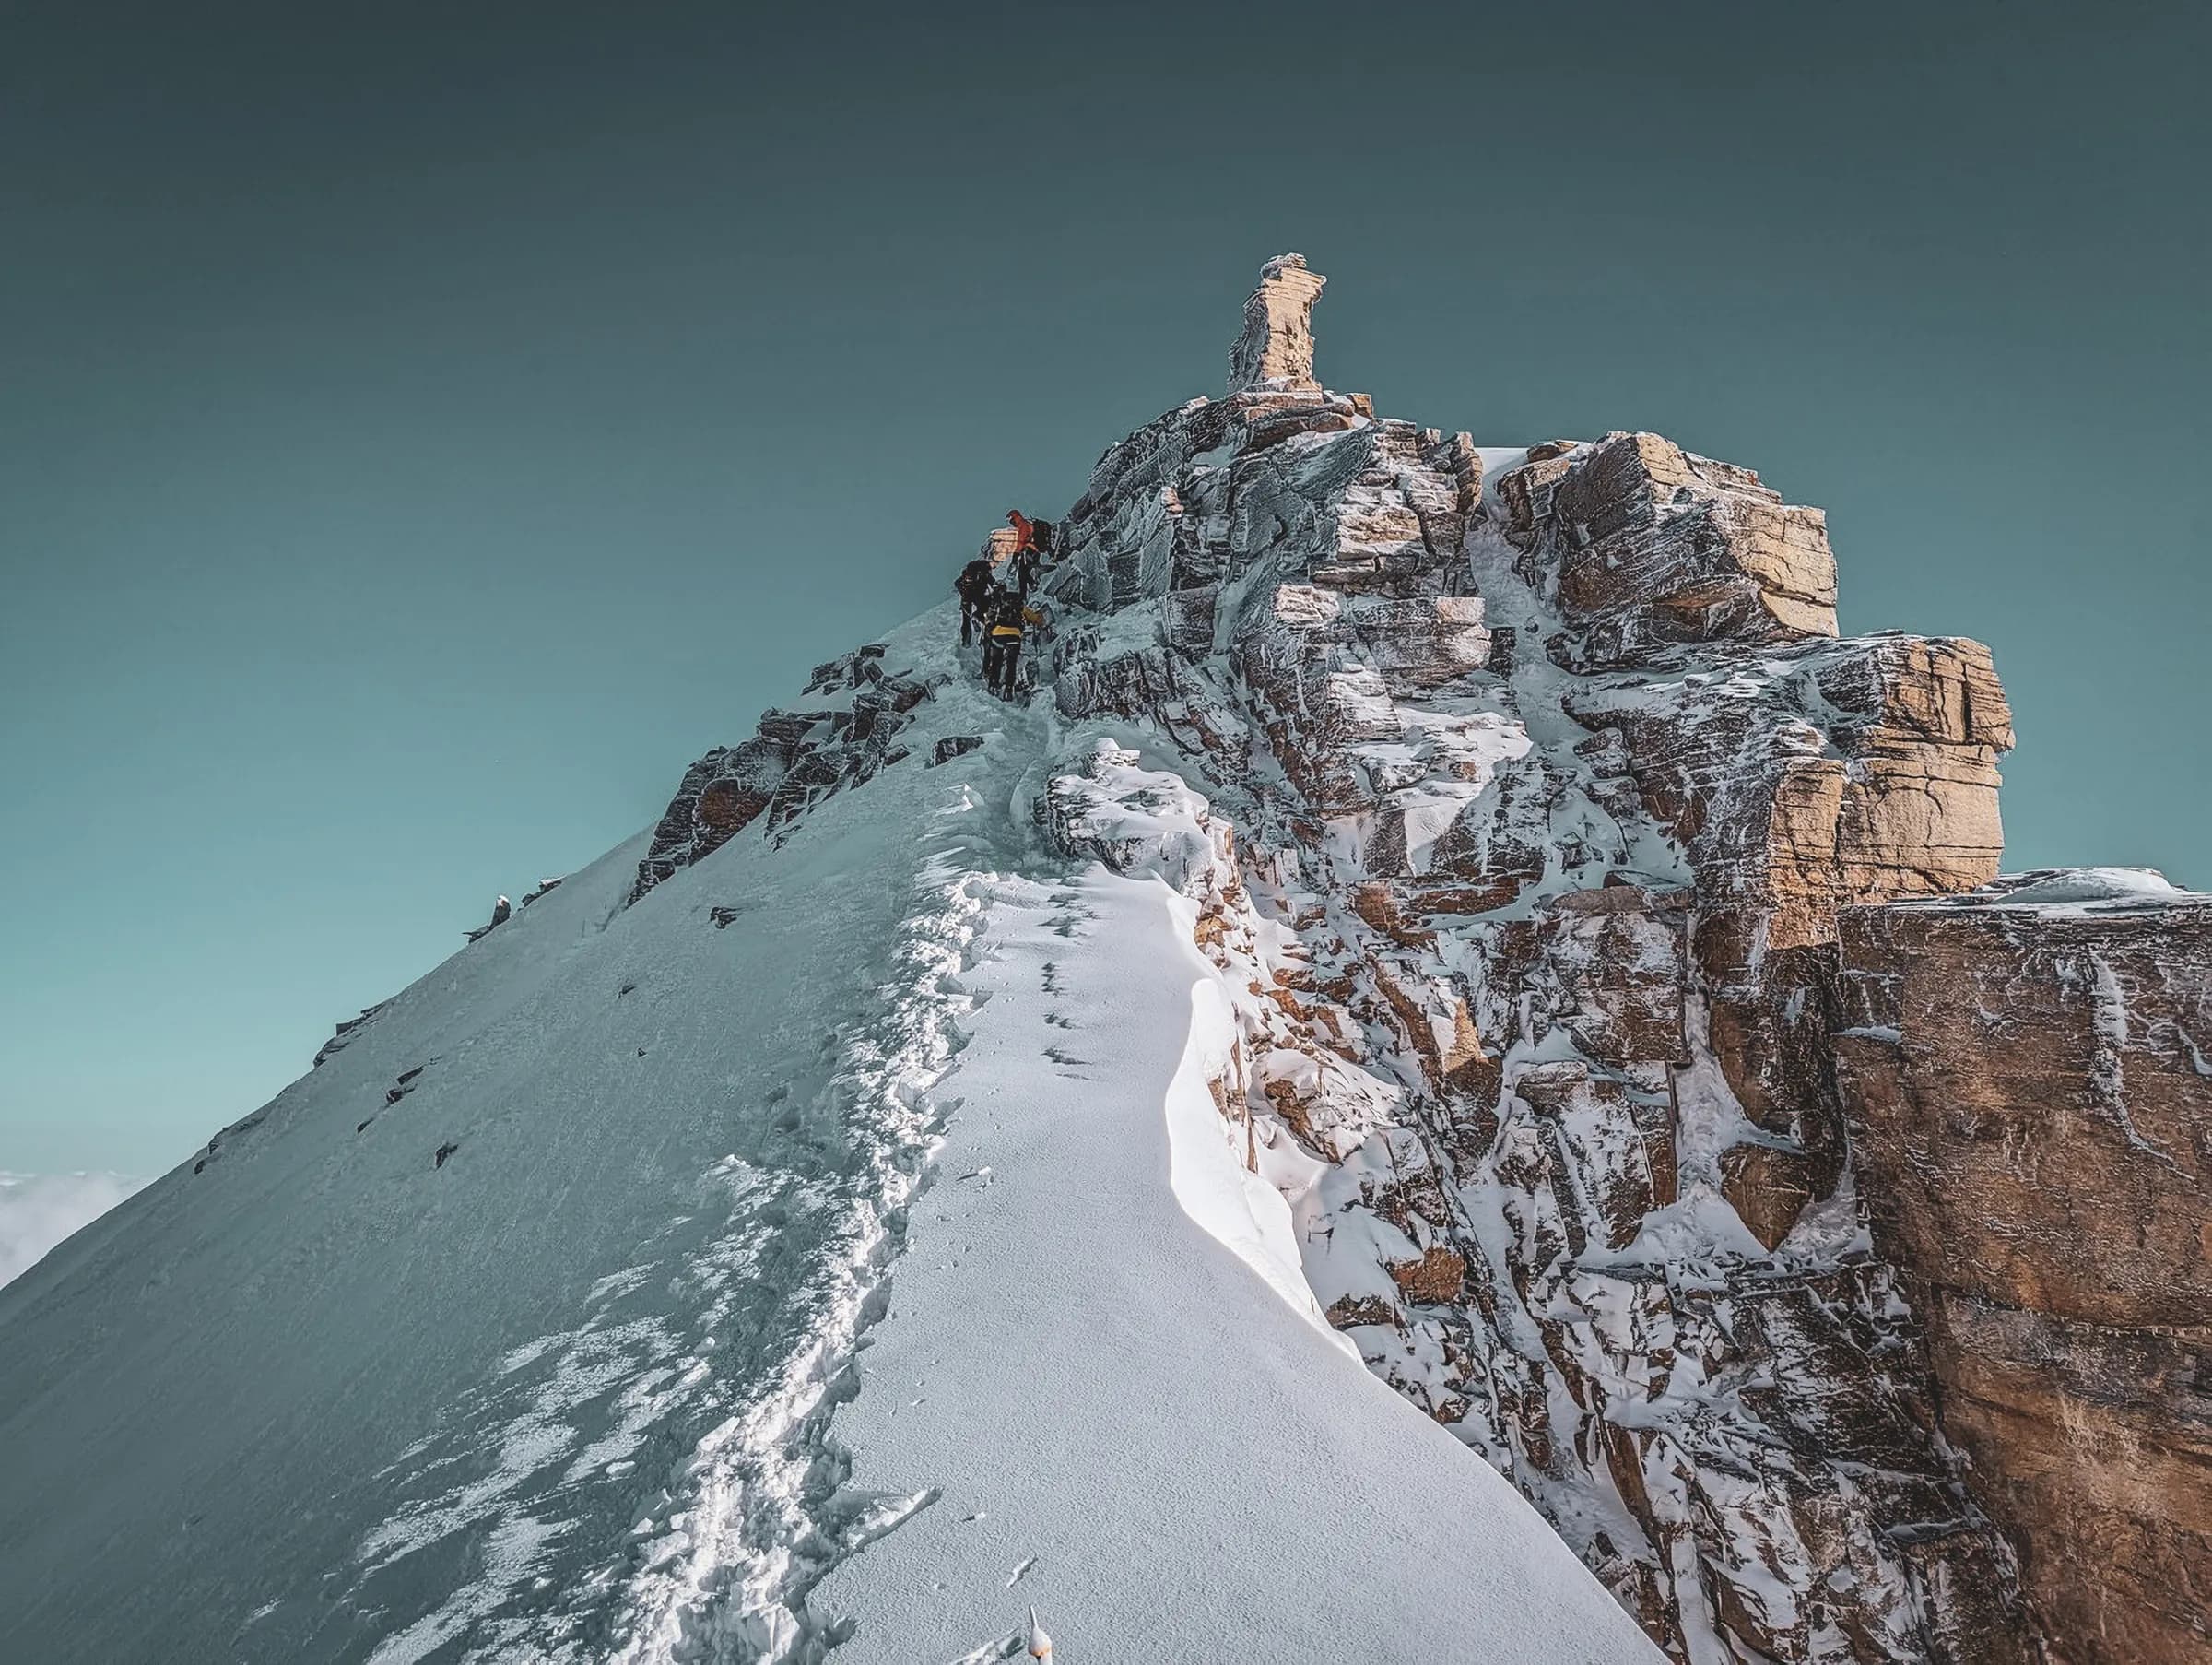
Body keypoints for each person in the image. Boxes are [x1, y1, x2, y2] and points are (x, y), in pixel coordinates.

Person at [982, 590, 1043, 700]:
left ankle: (993, 686)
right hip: (1014, 637)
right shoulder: (1021, 607)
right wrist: (1040, 616)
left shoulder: (998, 605)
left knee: (996, 662)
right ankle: (1008, 691)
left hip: (998, 636)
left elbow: (988, 618)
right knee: (1011, 664)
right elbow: (1035, 619)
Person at [954, 556, 994, 645]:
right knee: (984, 610)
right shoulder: (984, 573)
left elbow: (957, 583)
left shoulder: (967, 575)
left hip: (967, 598)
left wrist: (962, 593)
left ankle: (966, 641)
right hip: (979, 596)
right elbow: (992, 583)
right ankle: (983, 630)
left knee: (966, 620)